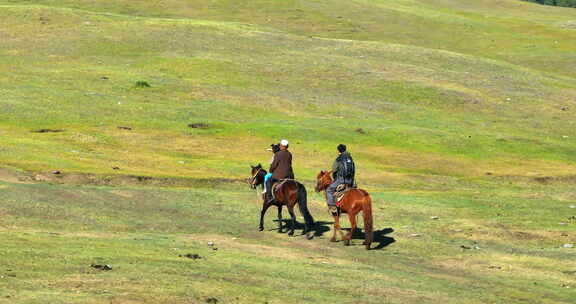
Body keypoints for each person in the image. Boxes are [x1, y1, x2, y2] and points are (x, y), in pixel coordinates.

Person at [326, 144, 355, 210]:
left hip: (341, 180)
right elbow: (353, 170)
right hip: (351, 181)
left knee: (329, 190)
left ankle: (333, 207)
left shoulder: (339, 159)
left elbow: (334, 170)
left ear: (338, 150)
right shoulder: (350, 158)